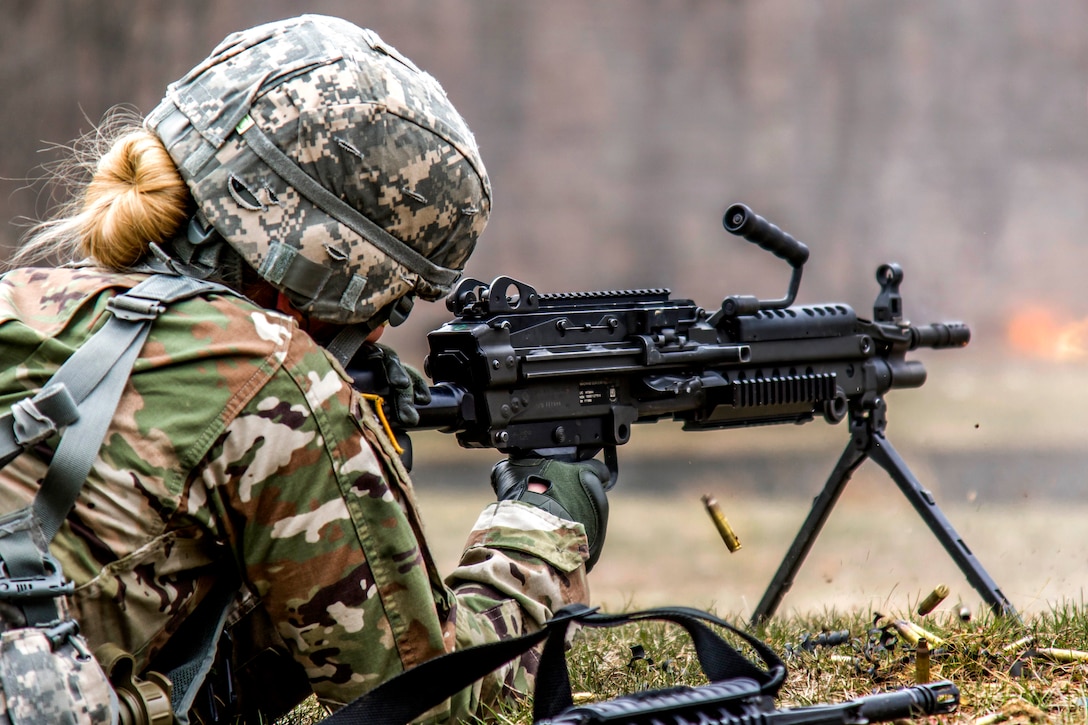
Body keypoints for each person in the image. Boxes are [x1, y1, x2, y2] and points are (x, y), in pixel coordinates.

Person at [0, 15, 610, 724]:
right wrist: (541, 522)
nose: (383, 329)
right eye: (394, 301)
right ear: (314, 283)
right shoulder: (271, 372)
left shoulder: (22, 299)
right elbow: (426, 702)